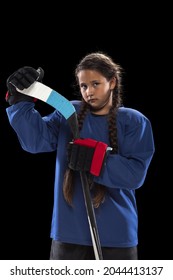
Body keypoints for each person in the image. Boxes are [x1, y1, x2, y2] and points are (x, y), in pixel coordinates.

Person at [5, 52, 155, 260]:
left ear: (112, 82)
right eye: (84, 86)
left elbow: (134, 175)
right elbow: (35, 142)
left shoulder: (135, 121)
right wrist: (20, 101)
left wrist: (96, 158)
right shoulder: (68, 112)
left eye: (95, 84)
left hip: (117, 236)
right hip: (67, 234)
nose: (89, 92)